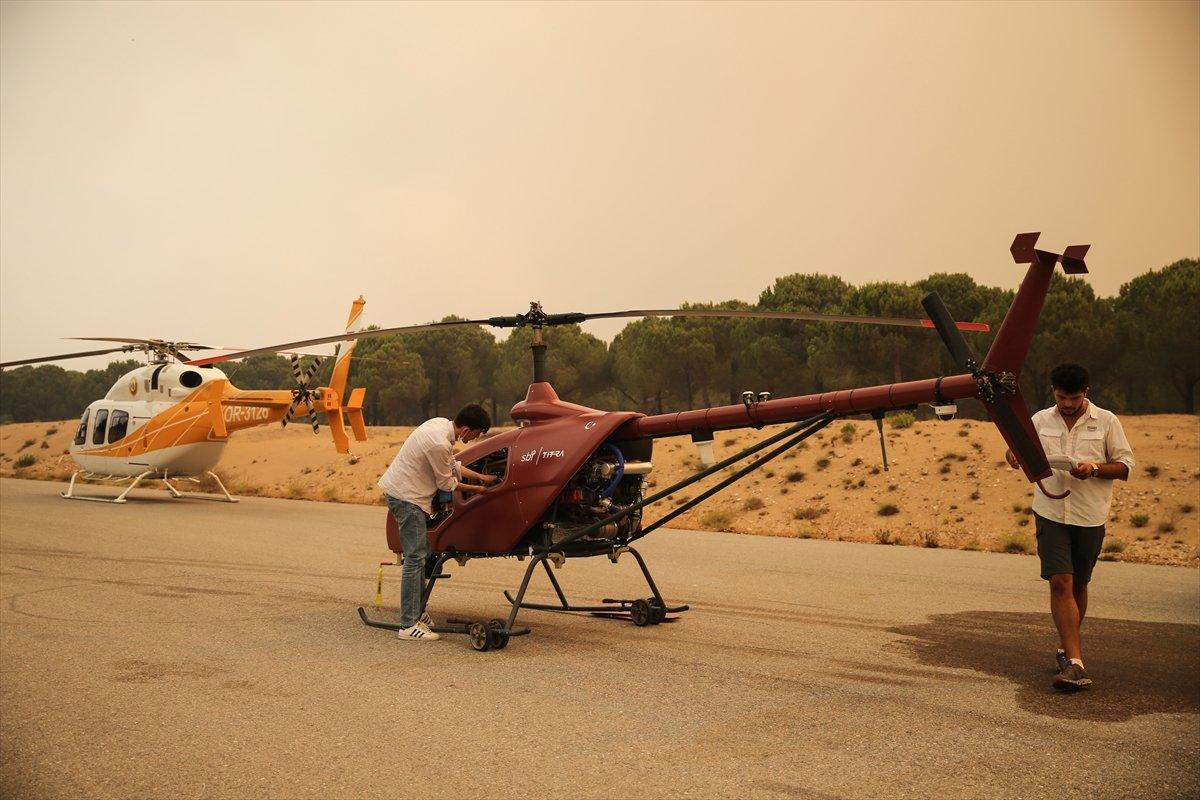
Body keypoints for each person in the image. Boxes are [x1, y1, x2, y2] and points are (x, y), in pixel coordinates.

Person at [1005, 363, 1134, 691]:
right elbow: (1016, 450)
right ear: (1053, 391)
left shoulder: (1106, 421)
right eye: (1062, 397)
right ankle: (1076, 665)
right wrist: (1014, 456)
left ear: (1085, 393)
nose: (1067, 404)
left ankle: (1066, 648)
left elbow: (1124, 466)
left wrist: (1094, 469)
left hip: (1090, 514)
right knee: (1060, 581)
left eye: (1074, 398)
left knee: (1078, 584)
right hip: (1050, 510)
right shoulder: (1039, 419)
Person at [378, 404, 499, 641]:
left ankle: (417, 611)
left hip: (405, 494)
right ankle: (408, 624)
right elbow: (447, 484)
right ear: (466, 429)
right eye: (477, 434)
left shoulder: (440, 426)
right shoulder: (439, 442)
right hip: (407, 498)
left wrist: (482, 477)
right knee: (415, 557)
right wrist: (478, 489)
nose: (476, 439)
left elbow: (451, 464)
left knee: (422, 554)